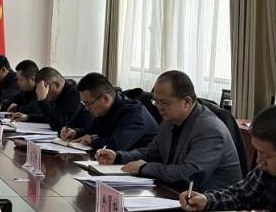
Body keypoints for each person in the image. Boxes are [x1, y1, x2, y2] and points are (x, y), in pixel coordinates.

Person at [95, 70, 242, 191]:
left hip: (213, 206)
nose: (159, 107)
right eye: (155, 101)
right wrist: (118, 157)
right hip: (177, 194)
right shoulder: (169, 121)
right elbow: (151, 153)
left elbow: (188, 174)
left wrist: (145, 168)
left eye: (164, 102)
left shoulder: (209, 129)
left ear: (187, 102)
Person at [61, 72, 156, 152]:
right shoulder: (105, 109)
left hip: (144, 164)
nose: (86, 108)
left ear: (105, 98)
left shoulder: (133, 112)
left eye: (88, 103)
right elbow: (90, 130)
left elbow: (116, 145)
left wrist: (92, 140)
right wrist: (75, 132)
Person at [17, 67, 90, 133]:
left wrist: (42, 100)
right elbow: (51, 117)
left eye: (45, 87)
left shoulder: (73, 95)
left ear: (56, 85)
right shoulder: (57, 94)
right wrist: (28, 117)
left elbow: (58, 126)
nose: (43, 91)